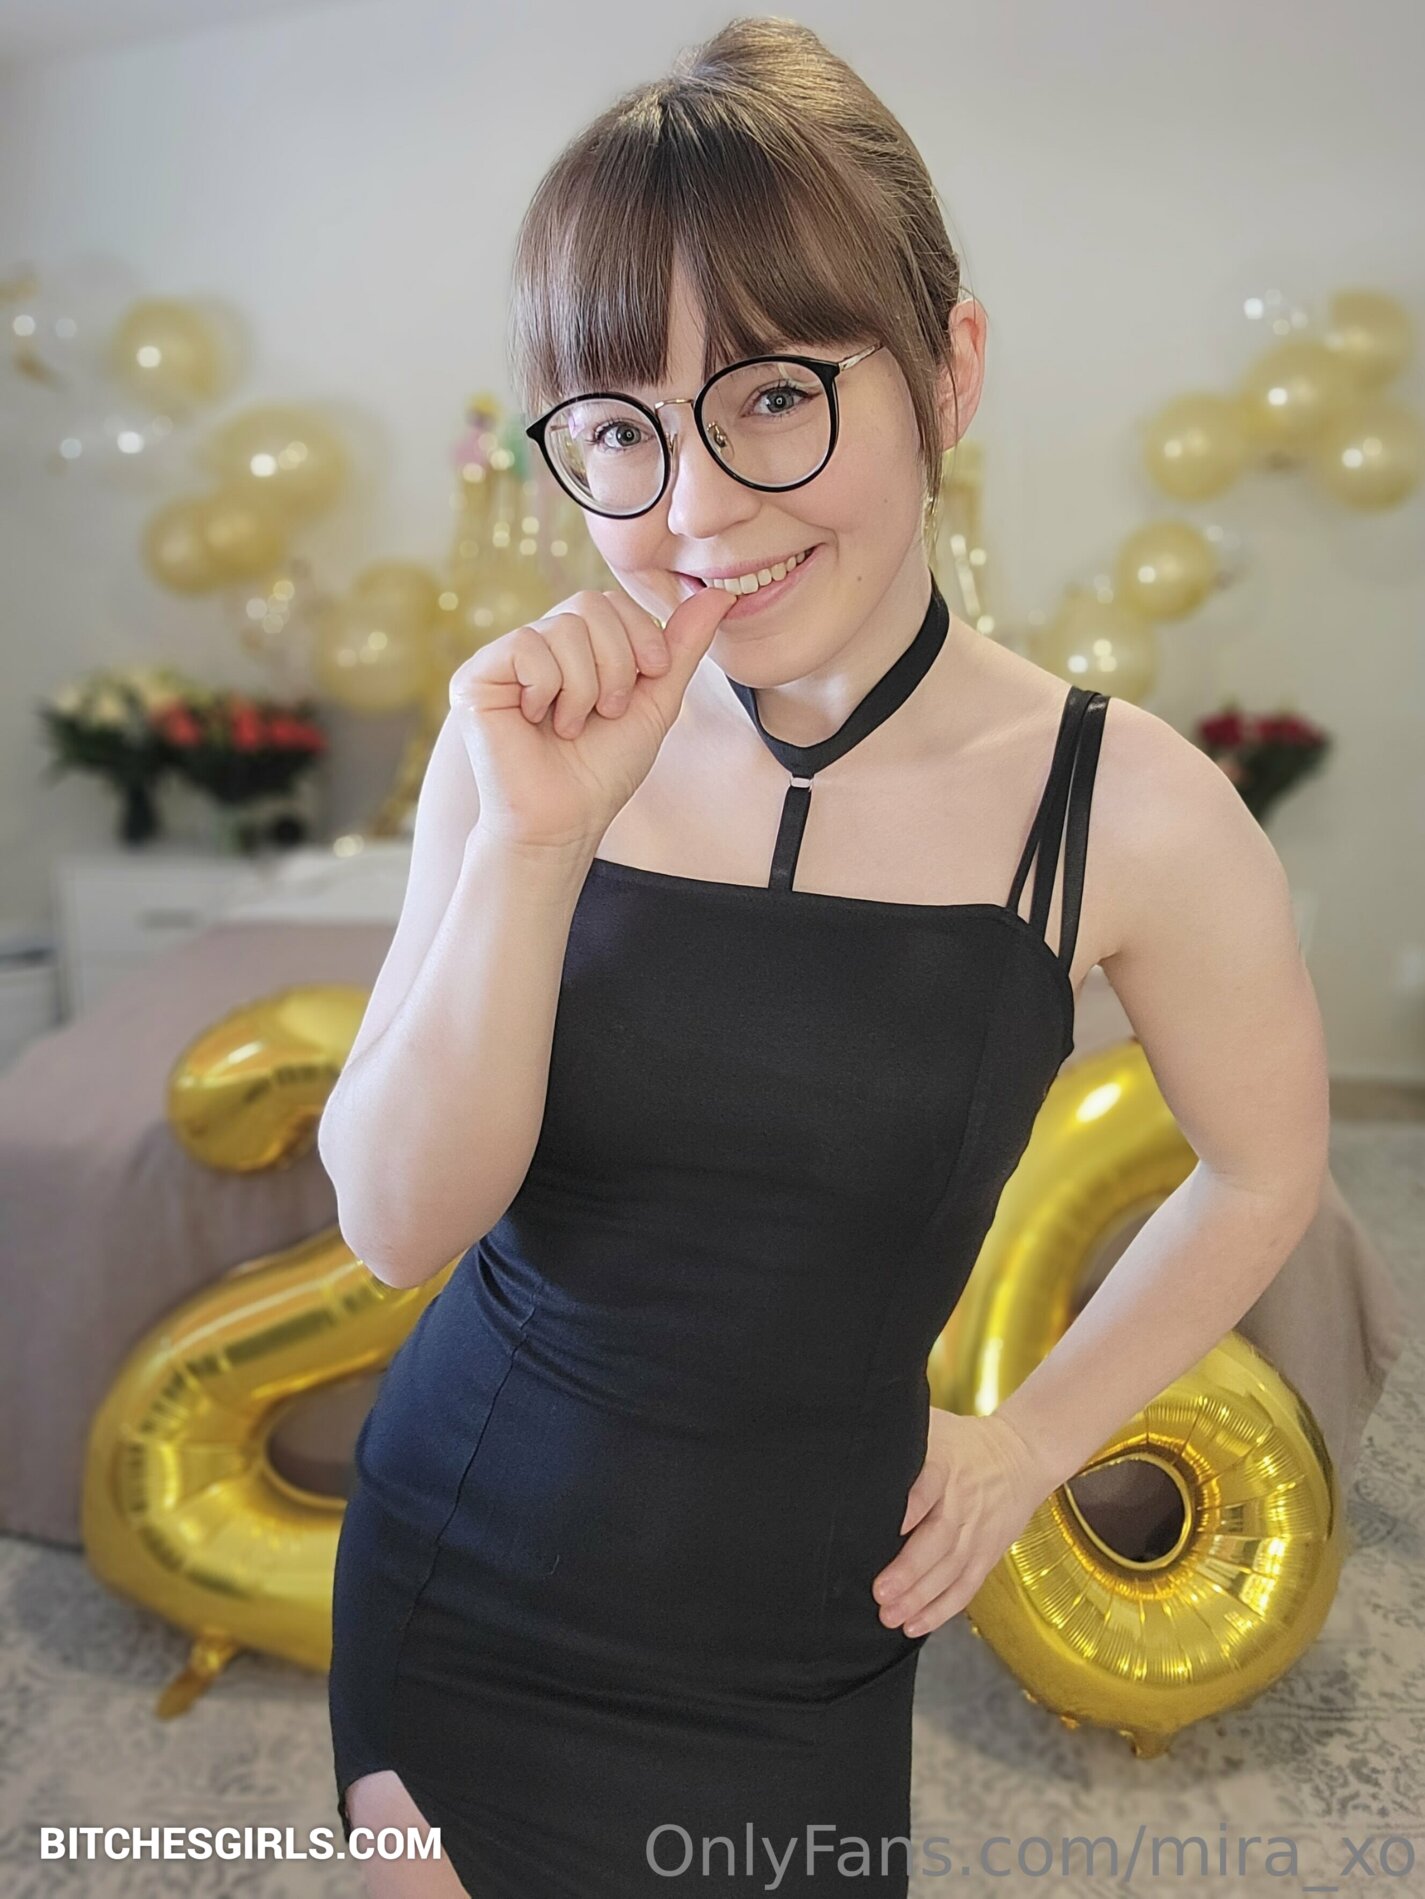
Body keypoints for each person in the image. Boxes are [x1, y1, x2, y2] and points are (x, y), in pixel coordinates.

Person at [321, 18, 1330, 1897]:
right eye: (615, 430)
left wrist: (1030, 1443)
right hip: (462, 1568)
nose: (695, 510)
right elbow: (394, 1226)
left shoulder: (1130, 809)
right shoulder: (523, 743)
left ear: (947, 369)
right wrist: (535, 844)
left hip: (807, 1630)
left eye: (775, 394)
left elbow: (1264, 1168)